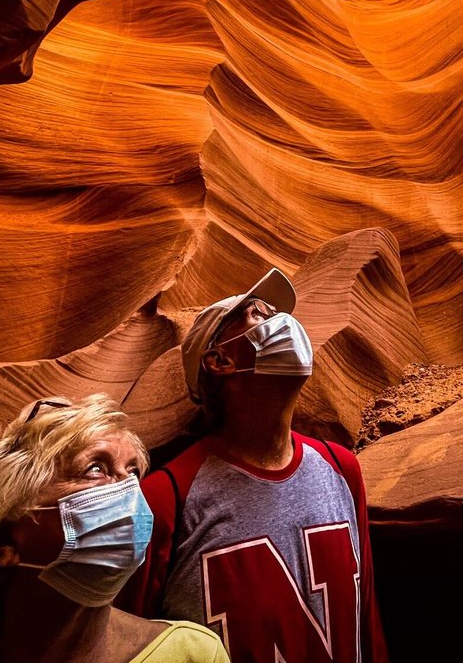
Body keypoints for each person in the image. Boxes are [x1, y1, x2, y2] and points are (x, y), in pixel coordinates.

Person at [118, 269, 389, 663]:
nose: (283, 323)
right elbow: (131, 642)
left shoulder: (341, 468)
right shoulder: (165, 498)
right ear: (220, 360)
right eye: (257, 315)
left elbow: (368, 623)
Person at [0, 393, 230, 663]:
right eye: (95, 469)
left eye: (133, 474)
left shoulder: (193, 654)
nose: (130, 494)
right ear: (2, 542)